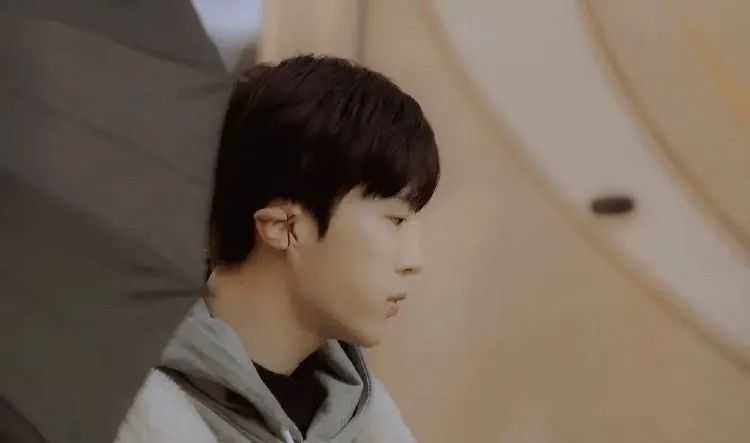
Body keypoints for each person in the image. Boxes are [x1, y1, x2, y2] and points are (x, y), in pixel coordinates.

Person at [115, 54, 440, 443]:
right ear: (283, 228)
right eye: (396, 221)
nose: (414, 262)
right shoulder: (132, 413)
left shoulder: (360, 414)